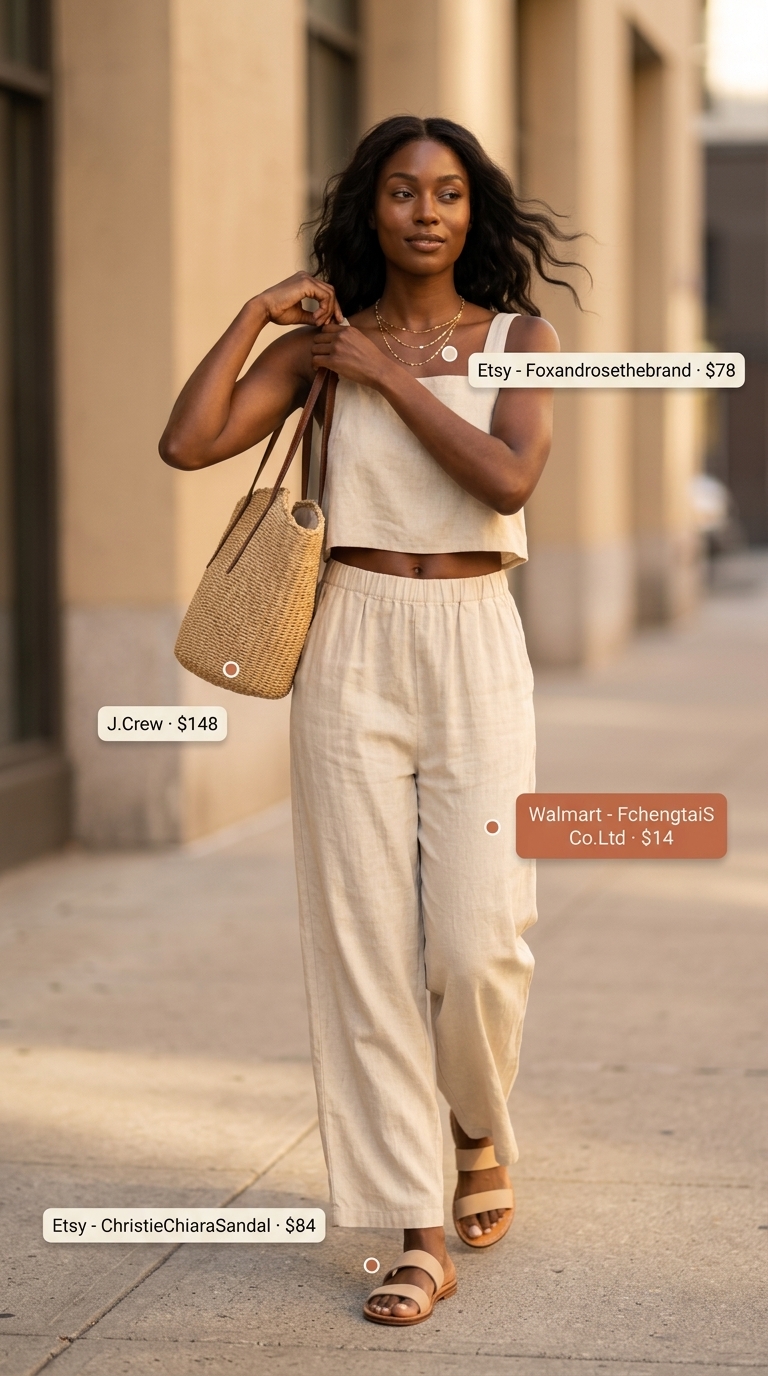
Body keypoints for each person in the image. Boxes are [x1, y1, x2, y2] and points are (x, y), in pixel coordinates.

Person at [160, 115, 581, 1327]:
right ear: (372, 207)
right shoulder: (323, 348)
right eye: (403, 192)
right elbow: (187, 442)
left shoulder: (522, 340)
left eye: (448, 193)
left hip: (474, 641)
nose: (427, 212)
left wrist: (394, 377)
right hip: (348, 634)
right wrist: (258, 316)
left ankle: (476, 1122)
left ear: (473, 211)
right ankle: (414, 1226)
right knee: (363, 946)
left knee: (479, 942)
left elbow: (507, 480)